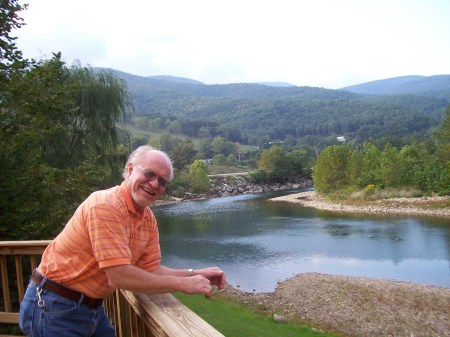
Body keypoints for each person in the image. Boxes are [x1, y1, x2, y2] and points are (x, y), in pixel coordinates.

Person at [19, 145, 226, 337]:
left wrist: (195, 274)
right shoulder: (105, 205)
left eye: (162, 181)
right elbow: (118, 276)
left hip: (91, 308)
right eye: (149, 174)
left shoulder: (147, 219)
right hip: (55, 305)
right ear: (130, 169)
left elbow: (150, 269)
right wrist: (182, 284)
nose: (154, 183)